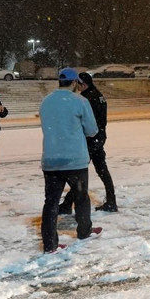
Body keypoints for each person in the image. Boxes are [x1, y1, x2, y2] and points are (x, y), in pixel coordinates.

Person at [39, 68, 102, 254]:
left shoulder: (46, 101)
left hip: (50, 159)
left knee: (50, 203)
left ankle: (50, 244)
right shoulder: (80, 101)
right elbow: (92, 130)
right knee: (81, 198)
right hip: (75, 160)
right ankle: (84, 231)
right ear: (74, 83)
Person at [59, 72, 117, 213]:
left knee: (79, 172)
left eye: (78, 84)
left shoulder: (87, 99)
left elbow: (87, 122)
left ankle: (67, 205)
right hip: (98, 138)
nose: (76, 87)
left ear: (83, 84)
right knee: (102, 170)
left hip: (90, 139)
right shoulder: (98, 95)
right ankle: (111, 201)